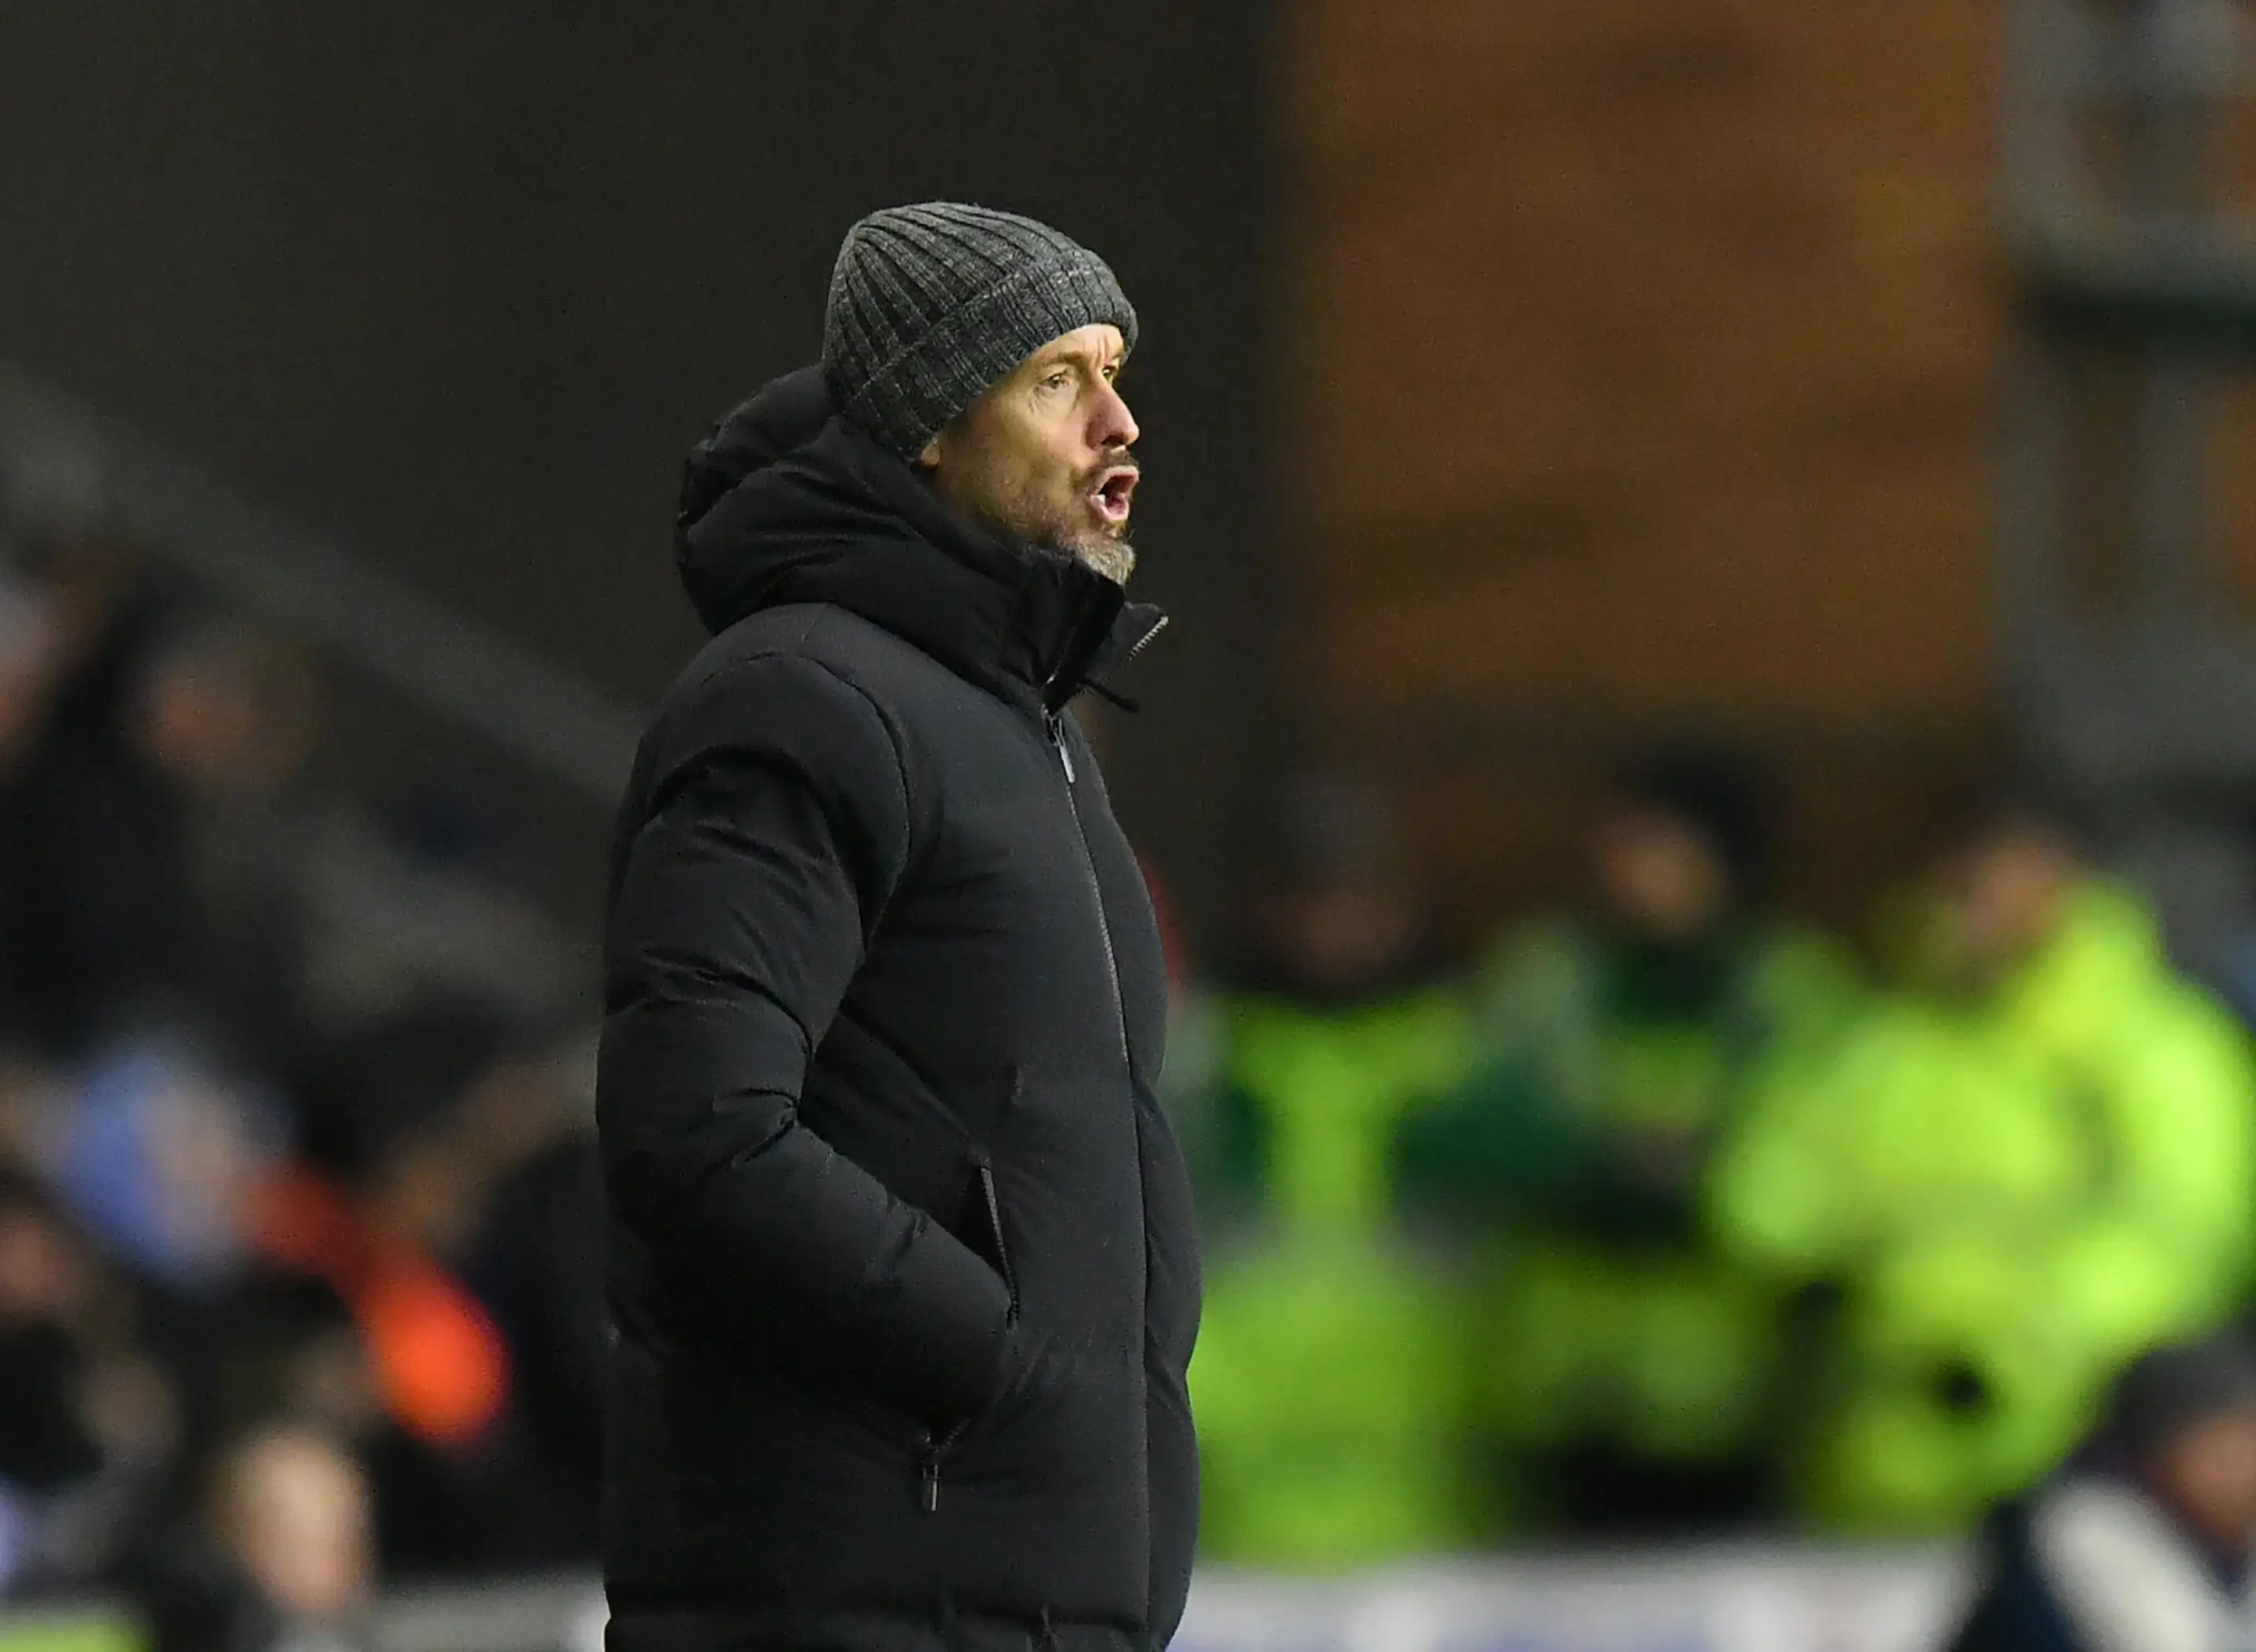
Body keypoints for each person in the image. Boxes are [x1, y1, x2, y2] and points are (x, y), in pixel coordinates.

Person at [596, 204, 1199, 1652]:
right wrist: (999, 1356)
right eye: (1058, 379)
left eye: (1115, 374)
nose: (1118, 423)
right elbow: (699, 1134)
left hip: (1013, 1597)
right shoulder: (803, 696)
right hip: (856, 1601)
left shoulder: (1024, 731)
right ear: (931, 419)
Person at [1712, 795, 2256, 1532]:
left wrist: (2010, 1342)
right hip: (1868, 1466)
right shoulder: (1870, 1041)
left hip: (2083, 1462)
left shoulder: (2153, 1043)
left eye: (2005, 877)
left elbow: (2179, 1237)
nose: (1977, 905)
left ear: (2070, 882)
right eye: (1962, 881)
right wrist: (1838, 1294)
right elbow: (1764, 1194)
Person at [1394, 744, 1861, 1535]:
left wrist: (1696, 1188)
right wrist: (1601, 1168)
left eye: (1661, 849)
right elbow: (1453, 1130)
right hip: (1559, 1410)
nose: (1631, 872)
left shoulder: (1792, 995)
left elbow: (1828, 1161)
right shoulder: (1548, 979)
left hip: (1734, 1412)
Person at [1947, 1336, 2256, 1652]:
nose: (2241, 1470)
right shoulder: (2088, 1524)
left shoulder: (2228, 1532)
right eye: (2218, 1450)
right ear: (2156, 1456)